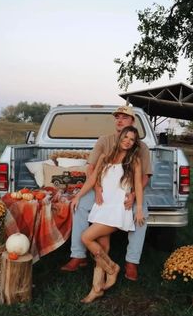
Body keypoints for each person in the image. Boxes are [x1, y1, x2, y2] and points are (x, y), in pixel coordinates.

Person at [61, 105, 152, 281]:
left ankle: (132, 261)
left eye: (124, 117)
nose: (119, 120)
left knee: (142, 215)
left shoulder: (140, 148)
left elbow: (145, 177)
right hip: (101, 189)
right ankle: (78, 255)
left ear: (132, 122)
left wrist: (133, 195)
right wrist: (96, 190)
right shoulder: (104, 141)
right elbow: (91, 170)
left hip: (126, 192)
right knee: (79, 207)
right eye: (117, 117)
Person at [71, 125, 144, 303]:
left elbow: (139, 185)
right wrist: (78, 196)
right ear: (119, 138)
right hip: (102, 206)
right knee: (102, 249)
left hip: (117, 209)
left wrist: (139, 207)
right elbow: (92, 180)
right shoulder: (105, 157)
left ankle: (112, 268)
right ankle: (97, 288)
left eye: (132, 139)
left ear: (134, 143)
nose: (127, 141)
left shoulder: (134, 160)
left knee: (86, 237)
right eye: (125, 137)